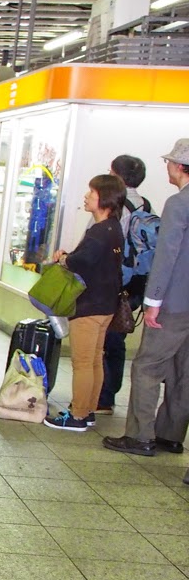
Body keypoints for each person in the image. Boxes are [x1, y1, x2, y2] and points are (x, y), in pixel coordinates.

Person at [104, 138, 189, 456]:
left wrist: (153, 301)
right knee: (183, 370)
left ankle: (140, 436)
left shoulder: (179, 203)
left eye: (168, 163)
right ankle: (171, 434)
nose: (166, 168)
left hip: (173, 302)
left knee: (147, 367)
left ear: (179, 167)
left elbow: (167, 256)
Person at [42, 174, 126, 431]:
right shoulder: (114, 228)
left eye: (92, 192)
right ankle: (88, 410)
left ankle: (77, 415)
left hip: (89, 306)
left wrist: (64, 258)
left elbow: (81, 261)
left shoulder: (99, 231)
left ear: (105, 198)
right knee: (95, 360)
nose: (86, 196)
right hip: (106, 305)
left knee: (82, 362)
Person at [97, 154, 149, 413]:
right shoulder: (145, 206)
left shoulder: (116, 206)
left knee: (104, 340)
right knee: (116, 338)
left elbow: (109, 246)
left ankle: (103, 395)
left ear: (116, 176)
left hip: (114, 282)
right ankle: (109, 393)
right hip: (136, 284)